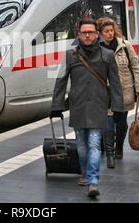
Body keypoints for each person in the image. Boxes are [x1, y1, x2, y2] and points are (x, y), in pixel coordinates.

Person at [51, 18, 123, 198]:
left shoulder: (107, 55)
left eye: (91, 32)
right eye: (84, 32)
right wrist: (57, 106)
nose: (88, 35)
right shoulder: (70, 55)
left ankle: (93, 182)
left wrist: (118, 106)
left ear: (97, 34)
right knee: (82, 147)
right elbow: (61, 81)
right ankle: (84, 173)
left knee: (94, 144)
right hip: (78, 105)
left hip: (99, 105)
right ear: (79, 34)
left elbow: (115, 82)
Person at [97, 18, 139, 169]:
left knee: (121, 121)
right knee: (108, 122)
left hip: (125, 90)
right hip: (106, 92)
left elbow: (136, 67)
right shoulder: (97, 48)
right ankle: (110, 152)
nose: (110, 34)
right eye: (106, 32)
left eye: (111, 30)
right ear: (100, 33)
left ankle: (119, 146)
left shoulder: (124, 46)